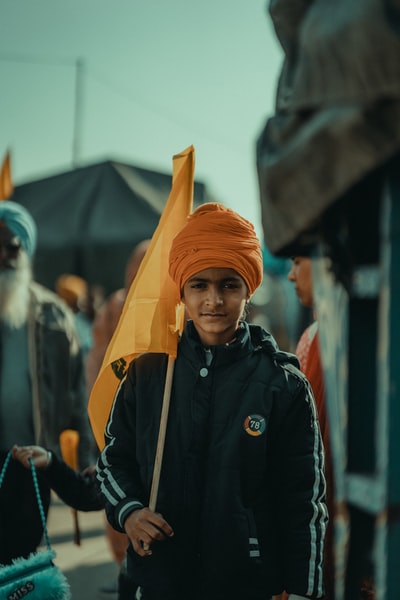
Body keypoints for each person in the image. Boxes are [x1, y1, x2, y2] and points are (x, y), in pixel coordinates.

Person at [96, 202, 328, 600]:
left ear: (248, 288)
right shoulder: (149, 373)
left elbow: (303, 502)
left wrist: (304, 591)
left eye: (229, 285)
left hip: (249, 584)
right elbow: (113, 460)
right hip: (158, 582)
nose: (214, 301)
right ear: (182, 290)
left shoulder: (283, 385)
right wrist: (130, 511)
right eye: (199, 285)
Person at [0, 200, 96, 565]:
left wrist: (85, 460)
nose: (4, 255)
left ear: (25, 250)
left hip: (31, 465)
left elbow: (76, 395)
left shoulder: (52, 314)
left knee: (22, 567)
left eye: (12, 246)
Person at [86, 238, 151, 597]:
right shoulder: (115, 307)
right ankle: (125, 571)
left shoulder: (170, 308)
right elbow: (97, 363)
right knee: (120, 501)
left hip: (153, 428)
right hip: (119, 422)